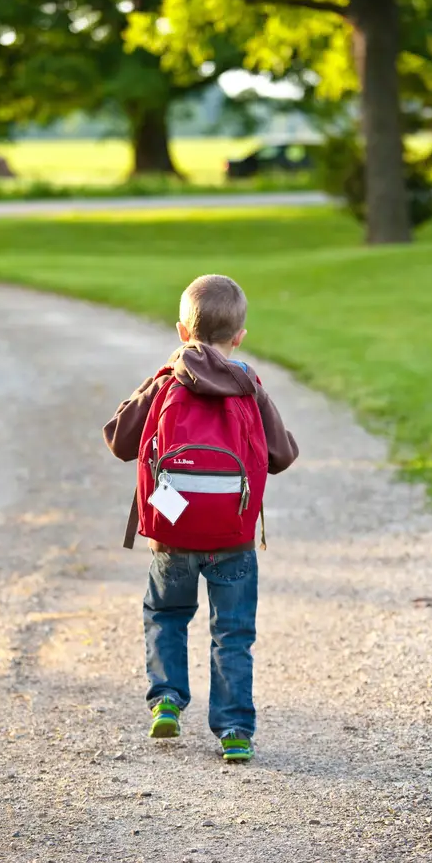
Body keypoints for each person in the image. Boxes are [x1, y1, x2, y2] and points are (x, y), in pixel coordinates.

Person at [103, 274, 298, 762]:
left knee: (166, 614)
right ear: (239, 337)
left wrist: (159, 376)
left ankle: (167, 699)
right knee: (232, 633)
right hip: (233, 536)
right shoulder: (248, 383)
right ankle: (234, 730)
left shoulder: (169, 380)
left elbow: (119, 440)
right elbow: (282, 455)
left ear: (181, 332)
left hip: (173, 533)